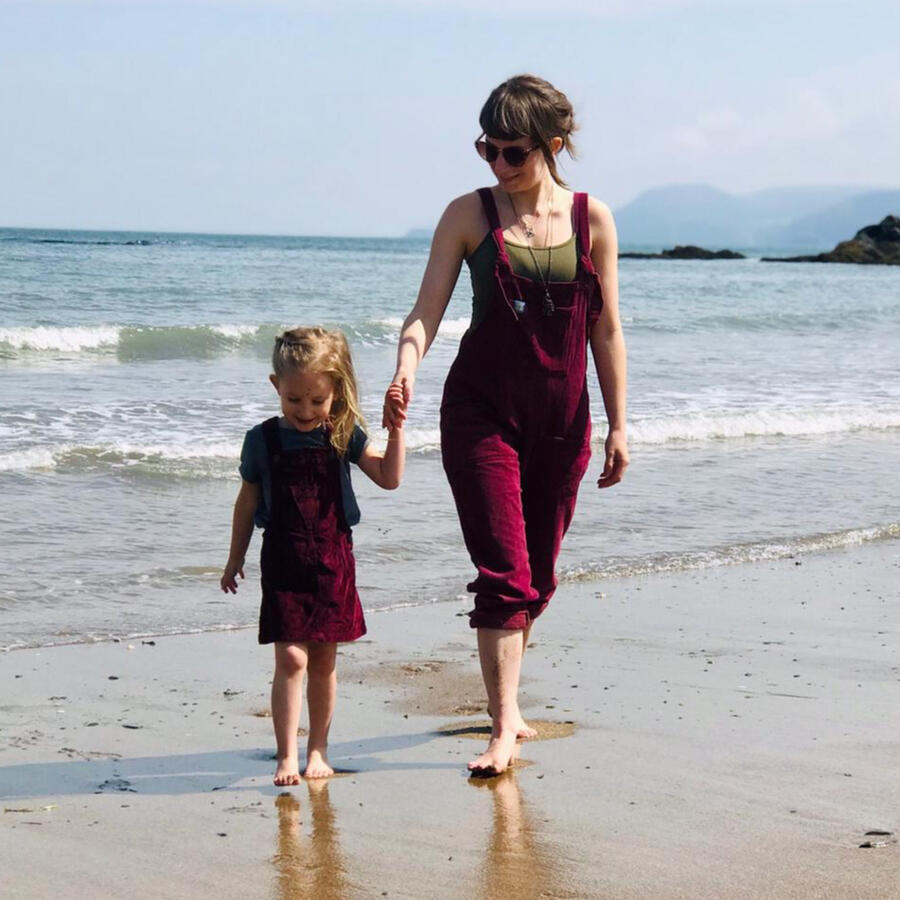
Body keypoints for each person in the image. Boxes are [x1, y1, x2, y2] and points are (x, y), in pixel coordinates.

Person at [383, 74, 628, 776]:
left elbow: (606, 331)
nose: (496, 164)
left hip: (563, 419)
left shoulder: (594, 219)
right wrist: (406, 368)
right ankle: (502, 724)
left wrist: (617, 425)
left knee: (538, 580)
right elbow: (425, 309)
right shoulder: (469, 214)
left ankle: (509, 699)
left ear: (551, 146)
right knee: (503, 574)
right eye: (485, 148)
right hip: (480, 413)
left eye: (511, 152)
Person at [222, 326, 405, 784]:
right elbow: (246, 502)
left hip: (333, 563)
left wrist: (396, 430)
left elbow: (389, 478)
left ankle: (318, 750)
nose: (305, 411)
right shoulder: (261, 440)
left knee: (323, 661)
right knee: (291, 660)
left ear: (336, 393)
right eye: (293, 400)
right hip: (282, 561)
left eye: (317, 401)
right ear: (275, 387)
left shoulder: (343, 434)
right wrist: (233, 558)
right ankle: (286, 755)